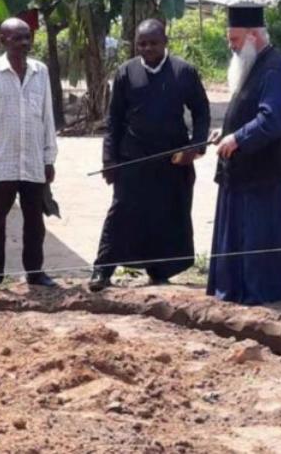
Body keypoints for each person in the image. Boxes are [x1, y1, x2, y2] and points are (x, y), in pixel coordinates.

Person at [88, 19, 211, 291]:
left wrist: (195, 147)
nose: (147, 48)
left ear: (165, 42)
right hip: (133, 160)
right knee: (120, 213)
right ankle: (102, 269)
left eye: (153, 42)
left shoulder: (184, 71)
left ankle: (159, 271)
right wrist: (109, 160)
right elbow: (114, 121)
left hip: (173, 161)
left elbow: (201, 112)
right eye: (142, 43)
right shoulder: (125, 73)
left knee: (166, 214)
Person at [207, 0, 281, 305]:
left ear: (253, 36)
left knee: (256, 235)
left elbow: (271, 120)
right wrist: (227, 130)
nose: (231, 46)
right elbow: (248, 108)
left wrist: (237, 139)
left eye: (234, 39)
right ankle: (233, 289)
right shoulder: (251, 63)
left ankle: (258, 291)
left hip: (262, 173)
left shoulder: (274, 68)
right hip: (242, 170)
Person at [0, 18, 59, 293]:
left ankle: (35, 273)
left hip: (32, 162)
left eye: (27, 37)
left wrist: (48, 157)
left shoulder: (40, 72)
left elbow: (47, 117)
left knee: (35, 222)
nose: (24, 43)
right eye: (17, 38)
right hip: (0, 162)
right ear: (3, 40)